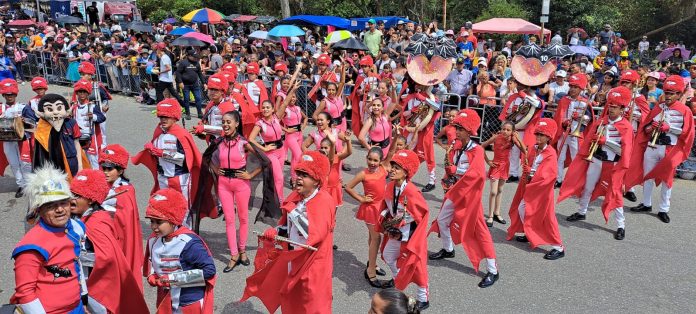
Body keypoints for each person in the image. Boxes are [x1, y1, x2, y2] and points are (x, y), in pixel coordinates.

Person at [242, 151, 335, 313]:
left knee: (312, 305)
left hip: (312, 265)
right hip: (293, 259)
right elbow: (287, 227)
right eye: (299, 173)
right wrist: (275, 233)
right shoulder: (295, 196)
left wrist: (291, 210)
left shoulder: (324, 200)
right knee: (291, 299)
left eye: (305, 175)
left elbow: (313, 233)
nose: (298, 177)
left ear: (317, 180)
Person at [428, 110, 499, 288]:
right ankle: (448, 249)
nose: (456, 131)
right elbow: (453, 168)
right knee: (443, 220)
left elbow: (477, 175)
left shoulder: (477, 150)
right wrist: (449, 174)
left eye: (460, 128)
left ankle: (493, 270)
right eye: (456, 127)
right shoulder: (457, 146)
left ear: (469, 130)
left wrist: (456, 172)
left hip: (469, 197)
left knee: (481, 232)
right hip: (455, 192)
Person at [559, 86, 634, 240]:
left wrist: (605, 142)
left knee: (615, 193)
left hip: (612, 164)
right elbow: (588, 140)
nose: (611, 109)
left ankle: (621, 225)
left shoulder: (626, 126)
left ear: (622, 109)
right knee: (587, 186)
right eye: (610, 106)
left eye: (615, 107)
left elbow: (624, 152)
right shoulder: (601, 122)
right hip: (595, 159)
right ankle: (581, 212)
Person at [68, 169, 148, 313]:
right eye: (71, 194)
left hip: (95, 287)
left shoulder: (97, 223)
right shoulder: (78, 217)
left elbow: (106, 257)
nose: (71, 200)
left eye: (77, 196)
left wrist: (72, 255)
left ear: (91, 200)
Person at [10, 166, 88, 313]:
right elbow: (25, 293)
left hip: (76, 307)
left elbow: (76, 265)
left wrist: (83, 301)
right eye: (51, 205)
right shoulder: (31, 246)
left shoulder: (76, 227)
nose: (59, 209)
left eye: (63, 202)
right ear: (38, 210)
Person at [626, 75, 695, 223]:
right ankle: (646, 203)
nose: (668, 96)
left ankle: (664, 209)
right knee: (647, 176)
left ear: (679, 94)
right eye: (667, 92)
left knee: (667, 180)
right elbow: (645, 127)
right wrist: (651, 127)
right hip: (652, 146)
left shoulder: (685, 110)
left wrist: (670, 128)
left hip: (670, 149)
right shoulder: (658, 107)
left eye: (672, 93)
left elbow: (687, 133)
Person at [132, 99, 203, 228]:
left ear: (174, 117)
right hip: (163, 177)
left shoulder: (181, 134)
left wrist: (159, 152)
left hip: (180, 178)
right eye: (161, 116)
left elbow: (184, 159)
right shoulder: (158, 131)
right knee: (164, 206)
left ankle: (185, 234)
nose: (163, 120)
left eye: (166, 117)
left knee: (183, 208)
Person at [144, 188, 217, 313]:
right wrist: (152, 275)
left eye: (159, 222)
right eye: (152, 221)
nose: (154, 227)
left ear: (172, 220)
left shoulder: (190, 243)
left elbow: (209, 271)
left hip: (188, 303)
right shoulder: (153, 240)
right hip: (166, 299)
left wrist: (173, 279)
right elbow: (153, 259)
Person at [377, 149, 430, 310]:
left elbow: (421, 213)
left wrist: (402, 221)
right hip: (394, 232)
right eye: (392, 166)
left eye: (397, 168)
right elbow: (387, 205)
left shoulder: (412, 191)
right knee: (387, 255)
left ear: (406, 172)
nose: (392, 170)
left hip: (409, 234)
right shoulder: (390, 186)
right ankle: (397, 280)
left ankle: (423, 298)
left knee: (417, 266)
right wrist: (385, 215)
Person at [507, 118, 566, 260]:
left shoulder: (550, 153)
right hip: (531, 188)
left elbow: (548, 175)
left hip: (542, 191)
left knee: (546, 218)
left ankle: (558, 247)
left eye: (542, 135)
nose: (538, 137)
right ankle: (530, 232)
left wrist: (531, 172)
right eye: (537, 134)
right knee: (522, 208)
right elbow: (529, 164)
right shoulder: (534, 148)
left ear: (549, 137)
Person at [345, 141, 398, 287]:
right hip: (369, 210)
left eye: (375, 160)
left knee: (372, 237)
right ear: (366, 158)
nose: (372, 163)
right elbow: (348, 187)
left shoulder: (383, 168)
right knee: (376, 238)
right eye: (370, 159)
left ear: (381, 161)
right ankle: (370, 272)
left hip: (381, 208)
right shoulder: (363, 174)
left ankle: (372, 264)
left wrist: (397, 136)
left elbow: (392, 152)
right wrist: (361, 198)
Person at [98, 144, 144, 289]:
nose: (105, 172)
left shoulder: (126, 191)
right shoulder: (101, 185)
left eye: (109, 169)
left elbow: (125, 220)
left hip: (119, 238)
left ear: (120, 170)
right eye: (103, 168)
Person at [480, 121, 524, 227]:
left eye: (508, 130)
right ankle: (490, 216)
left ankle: (496, 213)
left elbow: (524, 150)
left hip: (505, 166)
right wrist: (488, 161)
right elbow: (482, 146)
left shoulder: (512, 139)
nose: (505, 131)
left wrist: (518, 139)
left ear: (513, 132)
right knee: (493, 191)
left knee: (500, 190)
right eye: (504, 129)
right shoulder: (496, 137)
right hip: (495, 165)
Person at [32, 94, 86, 179]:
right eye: (49, 109)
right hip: (54, 164)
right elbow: (40, 153)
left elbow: (77, 144)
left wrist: (80, 165)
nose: (56, 112)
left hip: (72, 160)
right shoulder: (43, 128)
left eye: (59, 108)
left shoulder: (71, 123)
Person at [553, 73, 591, 187]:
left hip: (576, 134)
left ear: (581, 89)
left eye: (576, 87)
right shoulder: (564, 100)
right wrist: (564, 122)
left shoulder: (584, 102)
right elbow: (559, 116)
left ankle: (575, 181)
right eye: (571, 87)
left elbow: (588, 119)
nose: (573, 89)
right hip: (563, 133)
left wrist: (580, 117)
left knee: (576, 158)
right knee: (560, 157)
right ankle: (558, 179)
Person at [400, 84, 440, 192]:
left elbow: (437, 108)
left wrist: (425, 99)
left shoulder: (432, 98)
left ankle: (432, 181)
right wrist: (414, 111)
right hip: (411, 128)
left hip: (425, 130)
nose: (420, 86)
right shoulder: (411, 97)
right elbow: (404, 113)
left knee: (427, 154)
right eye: (418, 83)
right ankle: (402, 172)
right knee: (407, 150)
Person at [0, 78, 33, 197]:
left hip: (22, 140)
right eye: (7, 94)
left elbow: (33, 123)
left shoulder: (23, 107)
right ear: (3, 95)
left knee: (25, 163)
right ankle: (21, 185)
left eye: (12, 94)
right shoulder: (0, 108)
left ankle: (30, 185)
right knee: (14, 163)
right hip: (7, 140)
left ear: (16, 94)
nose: (10, 96)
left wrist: (25, 121)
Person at [249, 100, 286, 202]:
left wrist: (293, 89)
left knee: (278, 178)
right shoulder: (259, 123)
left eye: (267, 107)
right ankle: (280, 202)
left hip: (281, 151)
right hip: (271, 154)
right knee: (279, 178)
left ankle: (275, 198)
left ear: (273, 109)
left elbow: (285, 102)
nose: (265, 109)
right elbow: (251, 139)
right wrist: (264, 148)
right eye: (263, 107)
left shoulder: (276, 118)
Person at [276, 79, 307, 186]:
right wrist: (286, 130)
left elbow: (306, 118)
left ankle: (294, 180)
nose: (292, 98)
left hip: (299, 134)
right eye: (291, 97)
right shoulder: (285, 110)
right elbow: (276, 122)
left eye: (294, 97)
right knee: (299, 156)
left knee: (295, 158)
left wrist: (302, 126)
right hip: (291, 136)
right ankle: (297, 179)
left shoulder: (298, 108)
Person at [72, 79, 106, 168]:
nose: (82, 94)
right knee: (80, 160)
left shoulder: (93, 106)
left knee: (94, 161)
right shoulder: (74, 107)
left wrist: (93, 117)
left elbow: (102, 118)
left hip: (91, 138)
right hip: (78, 138)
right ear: (76, 93)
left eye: (84, 92)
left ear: (88, 93)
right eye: (80, 92)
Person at [192, 73, 235, 142]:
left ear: (222, 91)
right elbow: (207, 122)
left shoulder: (228, 107)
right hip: (212, 142)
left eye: (216, 89)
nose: (212, 92)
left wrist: (205, 128)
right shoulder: (210, 104)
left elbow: (228, 129)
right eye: (211, 89)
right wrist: (203, 124)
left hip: (225, 144)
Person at [176, 49, 206, 119]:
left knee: (198, 98)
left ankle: (199, 112)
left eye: (196, 57)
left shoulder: (197, 63)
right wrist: (180, 82)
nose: (195, 58)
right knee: (186, 99)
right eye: (194, 56)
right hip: (185, 84)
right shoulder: (183, 63)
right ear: (189, 56)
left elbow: (200, 74)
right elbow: (178, 73)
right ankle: (187, 113)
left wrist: (204, 83)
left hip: (195, 84)